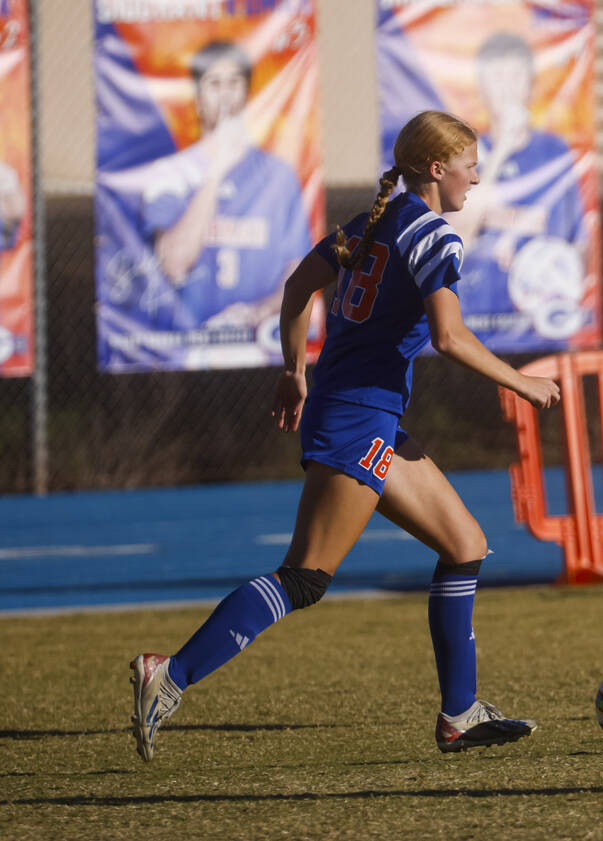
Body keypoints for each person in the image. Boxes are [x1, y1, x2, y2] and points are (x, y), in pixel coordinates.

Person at [129, 110, 562, 761]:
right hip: (359, 417)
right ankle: (171, 675)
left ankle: (460, 714)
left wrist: (293, 370)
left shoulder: (371, 224)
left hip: (358, 411)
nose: (477, 174)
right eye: (470, 162)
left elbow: (299, 287)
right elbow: (449, 336)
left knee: (465, 543)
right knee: (304, 577)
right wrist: (520, 381)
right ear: (437, 169)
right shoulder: (433, 236)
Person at [137, 39, 310, 330]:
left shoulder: (279, 175)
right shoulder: (170, 173)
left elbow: (299, 273)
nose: (225, 94)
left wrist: (259, 312)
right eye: (214, 84)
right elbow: (174, 263)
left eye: (234, 83)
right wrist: (217, 169)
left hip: (263, 342)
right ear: (198, 98)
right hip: (187, 347)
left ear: (247, 94)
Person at [449, 31, 590, 344]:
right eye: (496, 77)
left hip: (541, 324)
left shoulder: (555, 152)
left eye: (515, 76)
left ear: (530, 84)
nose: (507, 87)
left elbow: (567, 236)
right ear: (481, 88)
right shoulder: (462, 152)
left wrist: (499, 219)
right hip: (479, 322)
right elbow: (459, 237)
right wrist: (500, 152)